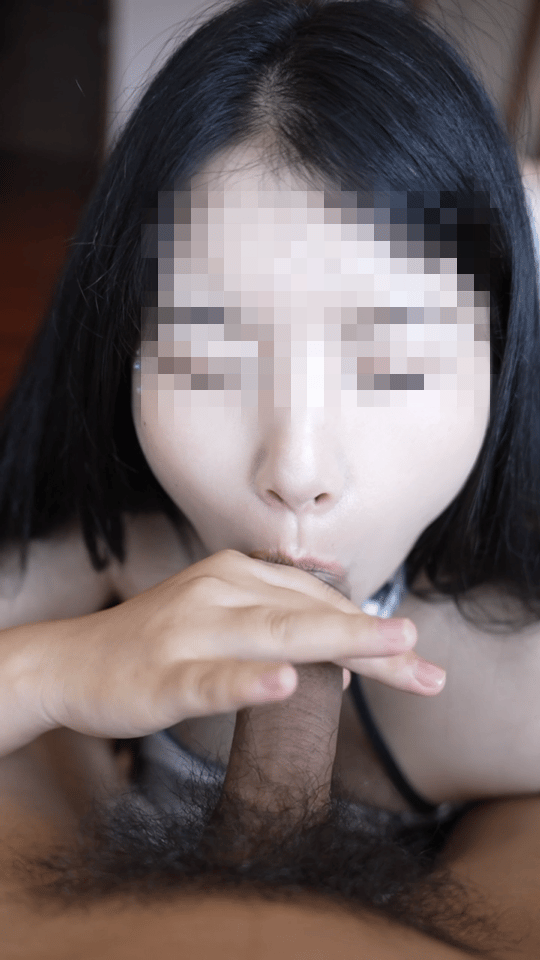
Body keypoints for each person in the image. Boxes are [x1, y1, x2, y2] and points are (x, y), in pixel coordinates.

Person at [1, 0, 540, 955]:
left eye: (395, 368)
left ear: (500, 366)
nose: (297, 470)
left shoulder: (517, 681)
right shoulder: (118, 549)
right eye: (209, 361)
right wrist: (50, 672)